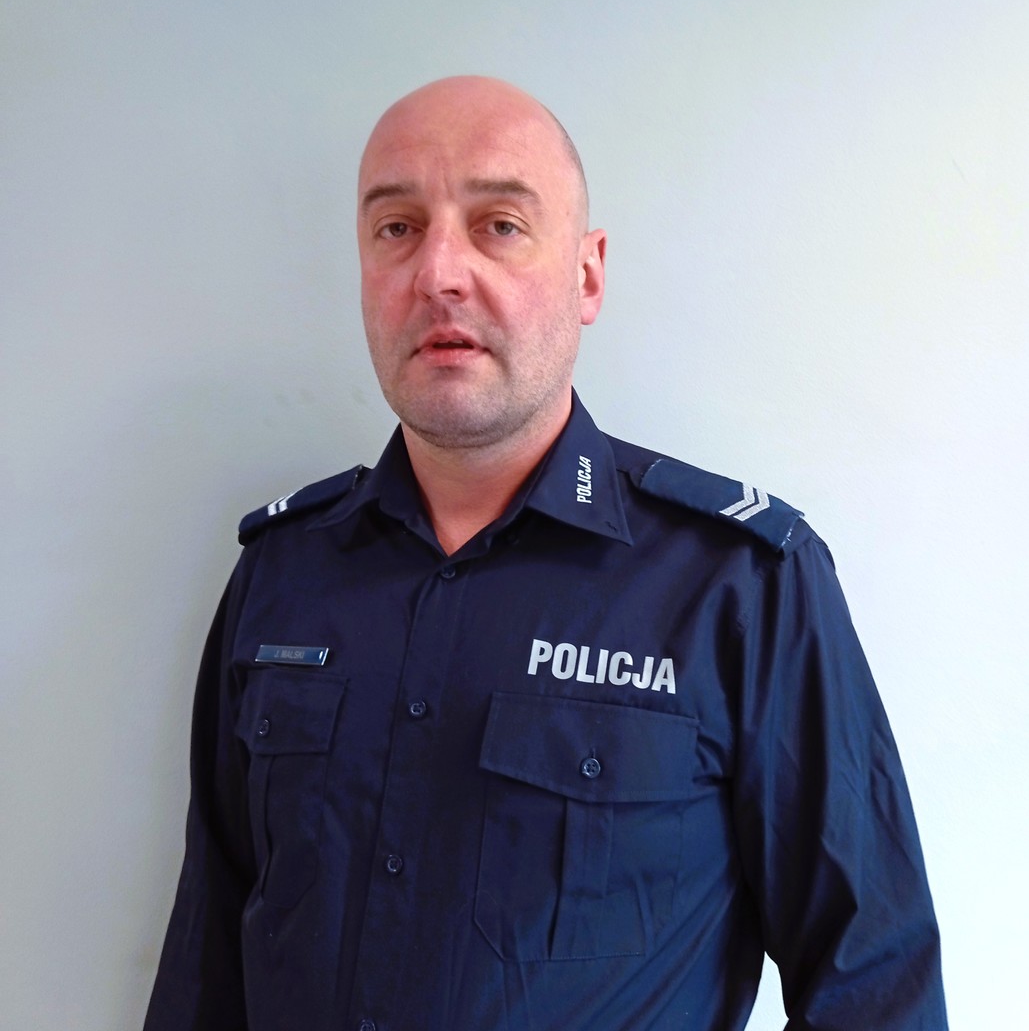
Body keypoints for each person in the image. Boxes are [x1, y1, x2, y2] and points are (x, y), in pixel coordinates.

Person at [144, 76, 947, 1031]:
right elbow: (207, 963)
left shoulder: (738, 584)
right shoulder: (283, 574)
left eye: (499, 225)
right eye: (397, 228)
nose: (439, 273)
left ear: (587, 275)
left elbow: (874, 984)